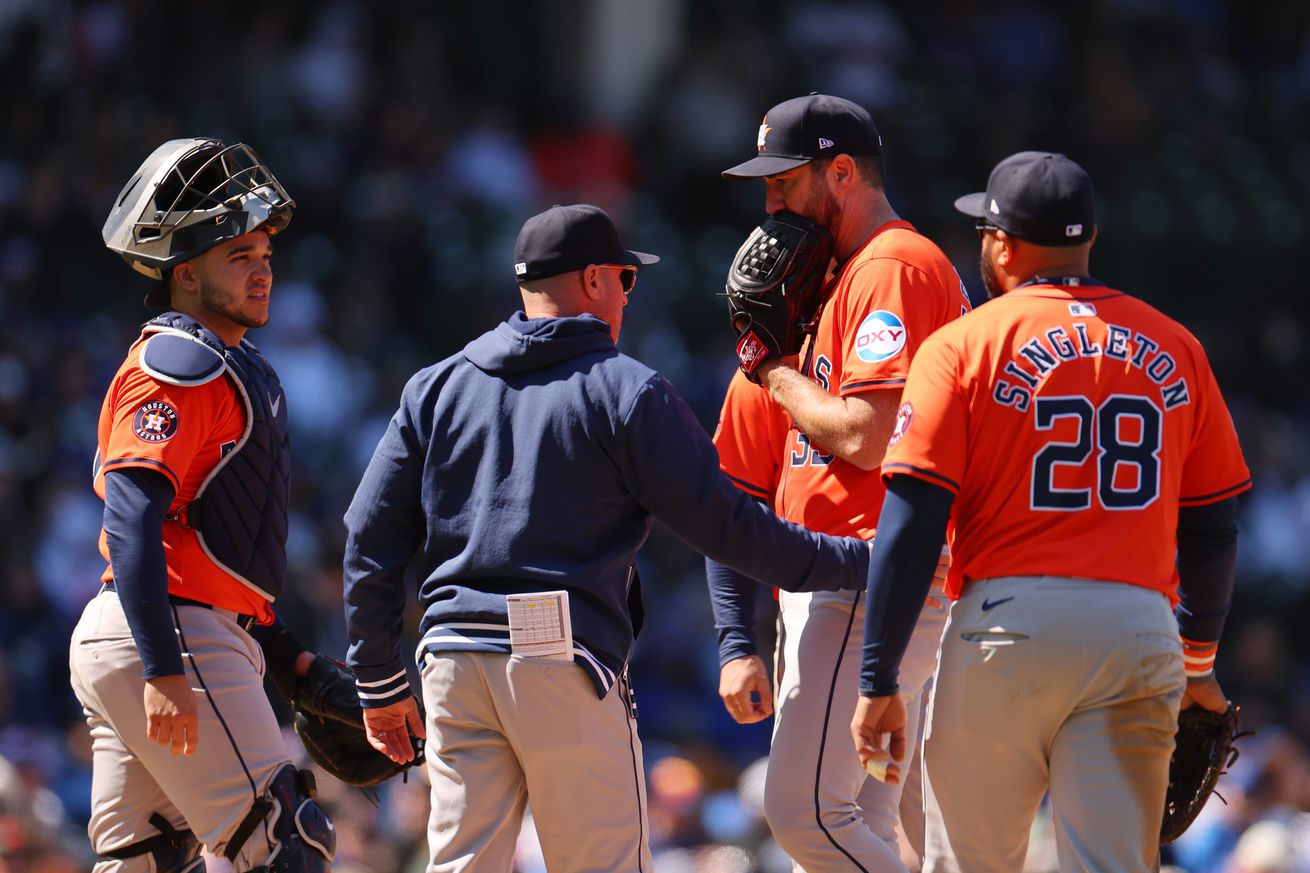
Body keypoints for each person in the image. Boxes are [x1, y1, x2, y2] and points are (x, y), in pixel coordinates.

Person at [341, 203, 874, 873]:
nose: (627, 293)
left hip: (449, 657)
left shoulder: (436, 386)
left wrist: (378, 678)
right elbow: (729, 527)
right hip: (554, 648)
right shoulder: (625, 389)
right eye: (626, 278)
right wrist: (861, 561)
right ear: (594, 279)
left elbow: (367, 534)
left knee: (460, 864)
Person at [851, 151, 1251, 872]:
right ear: (1088, 239)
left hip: (1007, 624)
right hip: (1136, 628)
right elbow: (1214, 525)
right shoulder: (1176, 343)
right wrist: (1198, 660)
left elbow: (910, 520)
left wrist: (878, 677)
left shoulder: (964, 343)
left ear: (1001, 244)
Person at [707, 93, 971, 871]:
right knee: (859, 824)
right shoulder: (827, 285)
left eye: (784, 182)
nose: (768, 203)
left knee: (803, 815)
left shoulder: (892, 264)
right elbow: (735, 487)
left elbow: (869, 434)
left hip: (865, 569)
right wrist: (736, 637)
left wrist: (778, 373)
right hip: (843, 581)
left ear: (843, 173)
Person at [70, 138, 335, 872]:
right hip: (166, 633)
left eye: (265, 256)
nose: (261, 270)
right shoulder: (178, 361)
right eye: (237, 256)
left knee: (147, 861)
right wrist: (162, 669)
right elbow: (131, 515)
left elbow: (215, 546)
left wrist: (292, 662)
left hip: (157, 628)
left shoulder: (225, 362)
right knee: (288, 842)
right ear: (185, 274)